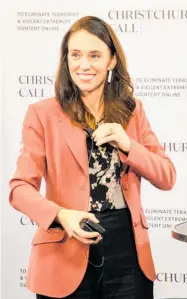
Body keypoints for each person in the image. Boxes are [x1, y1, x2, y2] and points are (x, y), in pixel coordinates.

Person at [8, 16, 176, 299]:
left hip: (126, 252)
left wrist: (128, 144)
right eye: (76, 55)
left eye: (95, 55)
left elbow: (166, 176)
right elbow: (19, 189)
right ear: (66, 59)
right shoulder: (42, 114)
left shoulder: (132, 111)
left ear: (111, 61)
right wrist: (62, 215)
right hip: (64, 249)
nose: (84, 65)